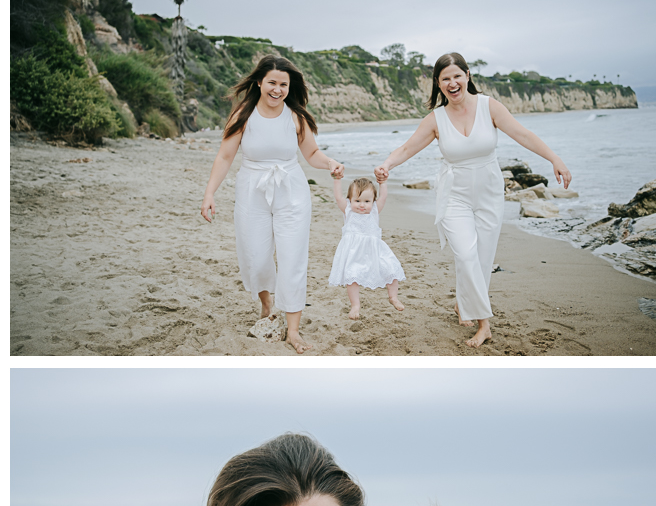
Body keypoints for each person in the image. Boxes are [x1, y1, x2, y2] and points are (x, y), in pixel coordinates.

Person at [374, 52, 572, 348]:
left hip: (490, 193)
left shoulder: (489, 106)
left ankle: (463, 304)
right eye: (445, 79)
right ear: (438, 85)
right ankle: (484, 324)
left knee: (481, 260)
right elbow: (407, 148)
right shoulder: (436, 119)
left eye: (457, 76)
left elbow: (524, 134)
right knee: (466, 255)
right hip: (454, 195)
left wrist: (555, 159)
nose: (452, 83)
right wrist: (387, 164)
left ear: (467, 75)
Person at [200, 55, 344, 354]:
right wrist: (210, 193)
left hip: (291, 191)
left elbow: (312, 154)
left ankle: (293, 330)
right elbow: (225, 156)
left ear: (290, 87)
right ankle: (267, 305)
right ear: (259, 83)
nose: (277, 90)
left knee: (292, 259)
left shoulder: (295, 117)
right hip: (252, 189)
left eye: (283, 84)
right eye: (272, 83)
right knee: (256, 255)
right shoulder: (243, 114)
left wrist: (330, 163)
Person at [329, 176, 405, 319]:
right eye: (357, 201)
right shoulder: (348, 211)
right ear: (349, 200)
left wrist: (383, 183)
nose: (362, 205)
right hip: (354, 253)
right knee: (352, 277)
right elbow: (338, 197)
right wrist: (337, 180)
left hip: (374, 251)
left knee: (391, 269)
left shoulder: (375, 210)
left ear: (373, 202)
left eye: (367, 201)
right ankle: (355, 305)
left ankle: (393, 296)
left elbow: (383, 197)